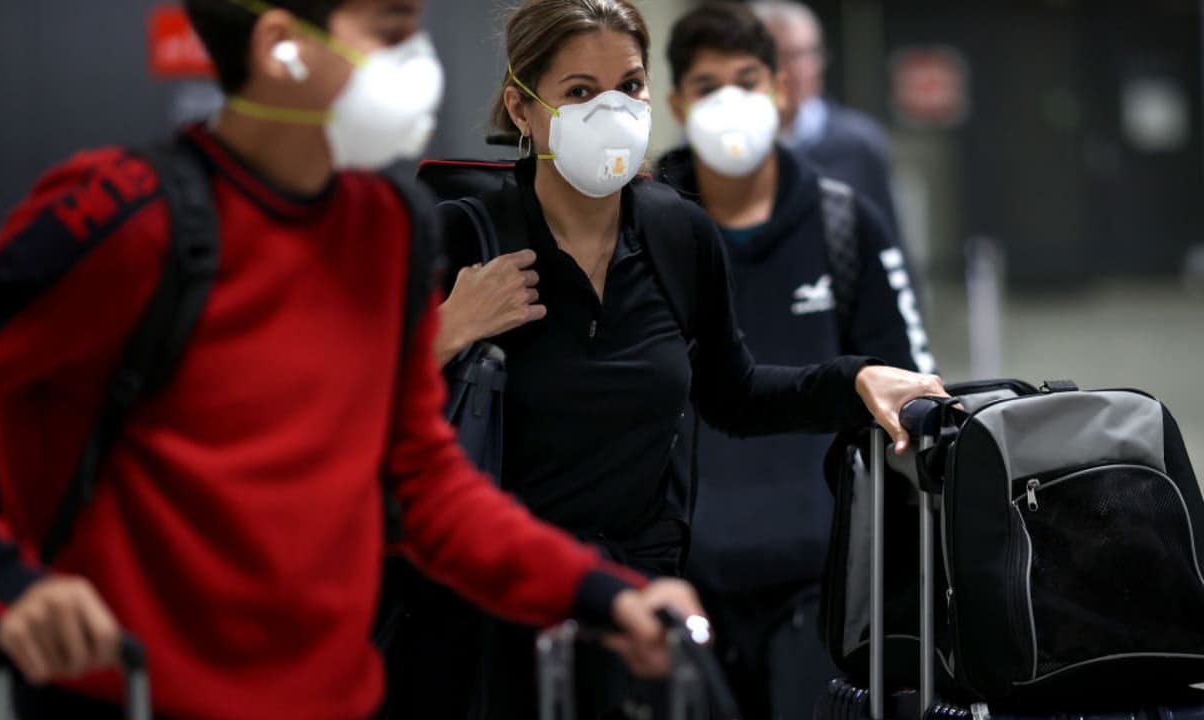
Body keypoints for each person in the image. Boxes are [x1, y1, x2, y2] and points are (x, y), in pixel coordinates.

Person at [0, 0, 708, 718]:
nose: (421, 59)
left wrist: (602, 596)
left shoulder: (386, 227)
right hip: (131, 693)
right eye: (392, 31)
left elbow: (426, 484)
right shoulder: (126, 214)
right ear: (281, 47)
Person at [405, 0, 947, 717]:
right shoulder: (463, 237)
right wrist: (444, 332)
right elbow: (364, 417)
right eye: (580, 91)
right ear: (521, 107)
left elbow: (735, 393)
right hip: (495, 615)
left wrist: (855, 379)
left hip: (641, 610)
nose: (612, 110)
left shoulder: (676, 232)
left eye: (628, 86)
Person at [657, 4, 935, 718]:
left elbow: (908, 383)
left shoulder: (845, 221)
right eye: (708, 86)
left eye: (746, 81)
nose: (729, 102)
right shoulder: (642, 228)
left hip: (825, 582)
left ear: (780, 89)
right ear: (678, 103)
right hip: (682, 584)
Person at [751, 0, 903, 238]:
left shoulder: (859, 143)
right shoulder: (729, 142)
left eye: (808, 54)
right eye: (782, 56)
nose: (798, 69)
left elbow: (888, 238)